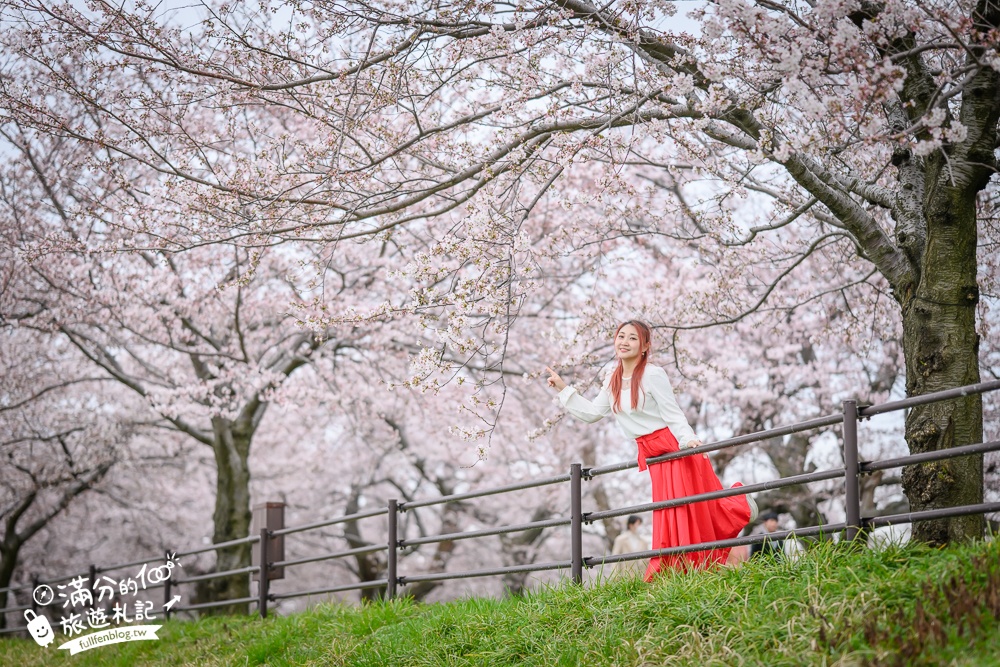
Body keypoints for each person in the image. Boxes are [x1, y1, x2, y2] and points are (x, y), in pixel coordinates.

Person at [546, 320, 757, 581]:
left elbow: (672, 412)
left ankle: (706, 547)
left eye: (632, 338)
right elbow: (591, 413)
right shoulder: (612, 380)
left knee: (686, 510)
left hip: (673, 448)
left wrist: (688, 439)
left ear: (645, 346)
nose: (624, 342)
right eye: (620, 336)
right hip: (653, 454)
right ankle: (677, 570)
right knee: (669, 511)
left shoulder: (653, 374)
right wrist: (564, 390)